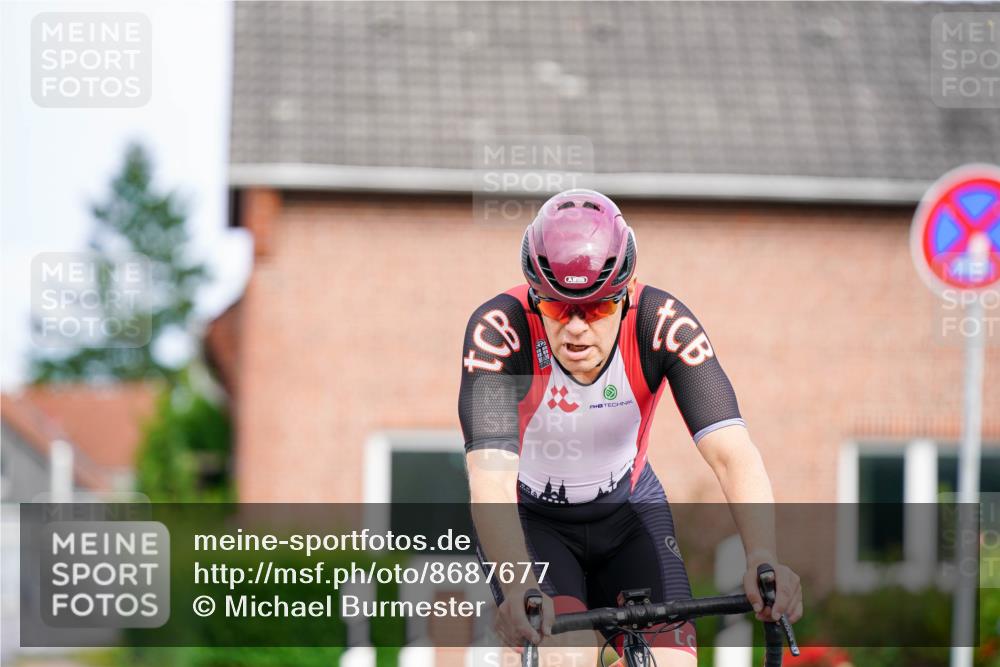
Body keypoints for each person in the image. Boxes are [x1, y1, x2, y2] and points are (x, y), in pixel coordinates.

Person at [458, 189, 802, 666]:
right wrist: (518, 589)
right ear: (535, 297)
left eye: (597, 308)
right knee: (565, 656)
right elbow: (490, 479)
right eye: (558, 307)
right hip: (533, 523)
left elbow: (732, 452)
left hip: (628, 512)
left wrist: (763, 558)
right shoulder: (500, 333)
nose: (576, 328)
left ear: (628, 291)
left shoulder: (662, 325)